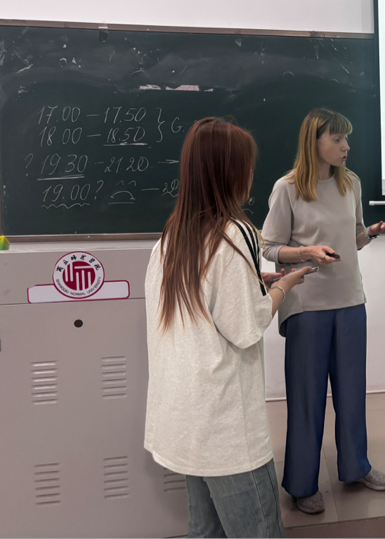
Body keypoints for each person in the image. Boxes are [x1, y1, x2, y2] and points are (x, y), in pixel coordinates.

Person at [144, 117, 311, 539]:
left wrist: (254, 284)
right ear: (232, 172)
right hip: (224, 427)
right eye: (246, 165)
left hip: (183, 417)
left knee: (205, 530)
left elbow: (206, 306)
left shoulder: (171, 237)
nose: (251, 174)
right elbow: (247, 326)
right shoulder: (235, 235)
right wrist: (285, 285)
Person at [261, 108, 385, 515]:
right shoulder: (287, 188)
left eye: (346, 139)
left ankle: (356, 467)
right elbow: (269, 247)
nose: (346, 147)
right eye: (337, 139)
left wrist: (371, 232)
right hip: (306, 304)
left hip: (350, 299)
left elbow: (353, 237)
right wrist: (305, 252)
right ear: (315, 142)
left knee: (352, 392)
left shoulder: (350, 182)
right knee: (306, 398)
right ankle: (301, 483)